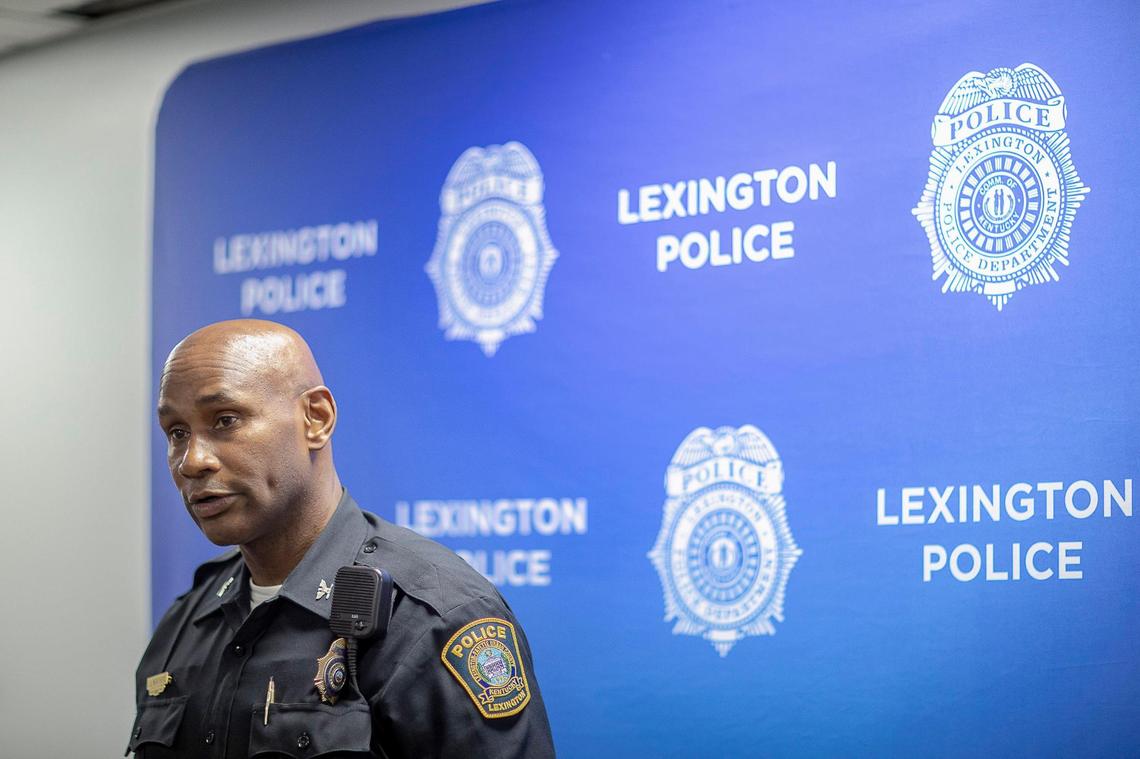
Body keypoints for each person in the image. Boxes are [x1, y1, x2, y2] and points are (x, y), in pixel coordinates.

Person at [129, 319, 555, 758]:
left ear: (316, 418)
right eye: (177, 433)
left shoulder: (433, 618)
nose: (191, 461)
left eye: (225, 420)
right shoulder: (187, 620)